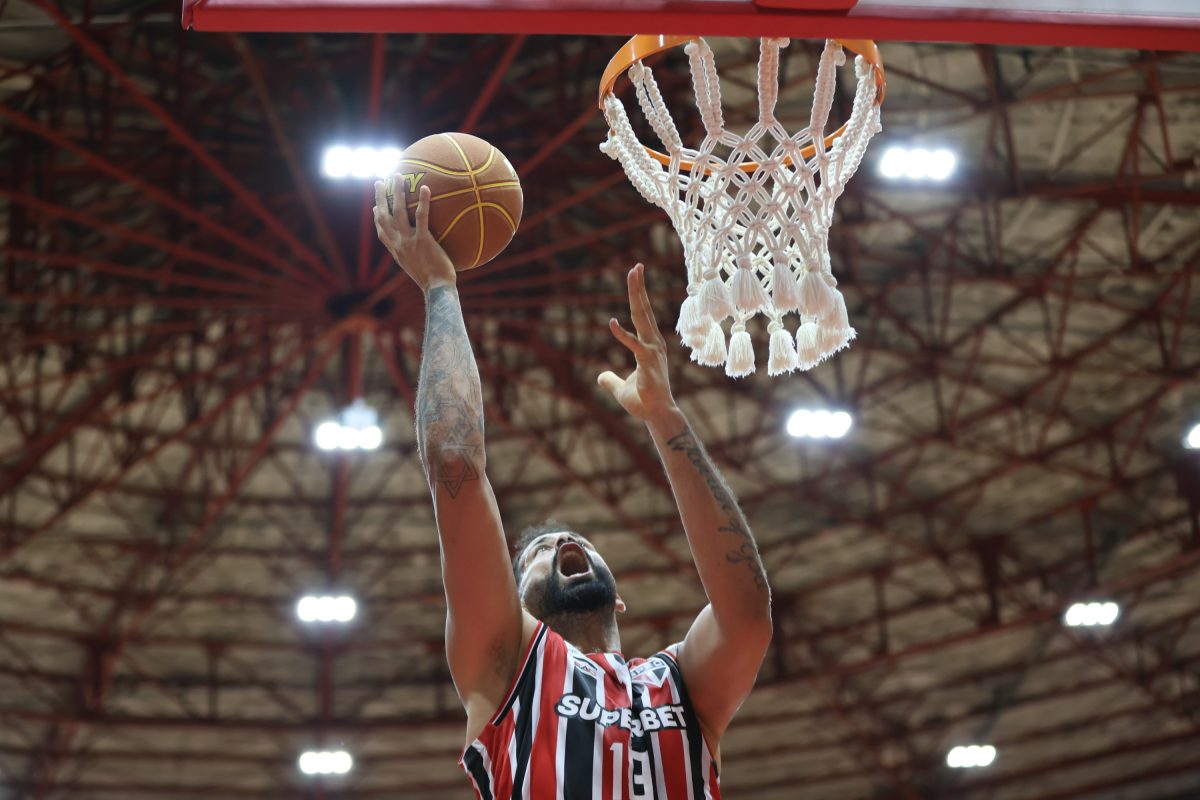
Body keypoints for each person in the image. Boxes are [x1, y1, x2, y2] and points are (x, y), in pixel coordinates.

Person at [374, 182, 772, 799]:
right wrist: (439, 287)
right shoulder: (507, 667)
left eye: (575, 542)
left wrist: (665, 416)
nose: (563, 542)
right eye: (535, 555)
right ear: (515, 606)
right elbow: (454, 461)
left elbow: (747, 614)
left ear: (620, 601)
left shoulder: (681, 685)